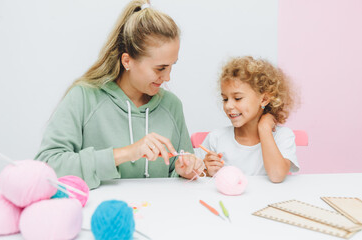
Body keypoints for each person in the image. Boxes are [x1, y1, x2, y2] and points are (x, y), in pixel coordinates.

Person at [35, 0, 204, 189]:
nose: (168, 77)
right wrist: (126, 153)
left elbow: (177, 172)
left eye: (173, 66)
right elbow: (47, 166)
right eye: (160, 68)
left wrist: (185, 170)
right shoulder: (84, 97)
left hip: (160, 216)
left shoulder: (172, 105)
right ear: (127, 61)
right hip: (99, 215)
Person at [197, 56, 299, 183]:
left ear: (264, 99)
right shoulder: (216, 138)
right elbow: (196, 179)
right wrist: (208, 172)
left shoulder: (283, 136)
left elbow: (277, 176)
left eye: (238, 98)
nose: (228, 106)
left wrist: (264, 128)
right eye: (225, 99)